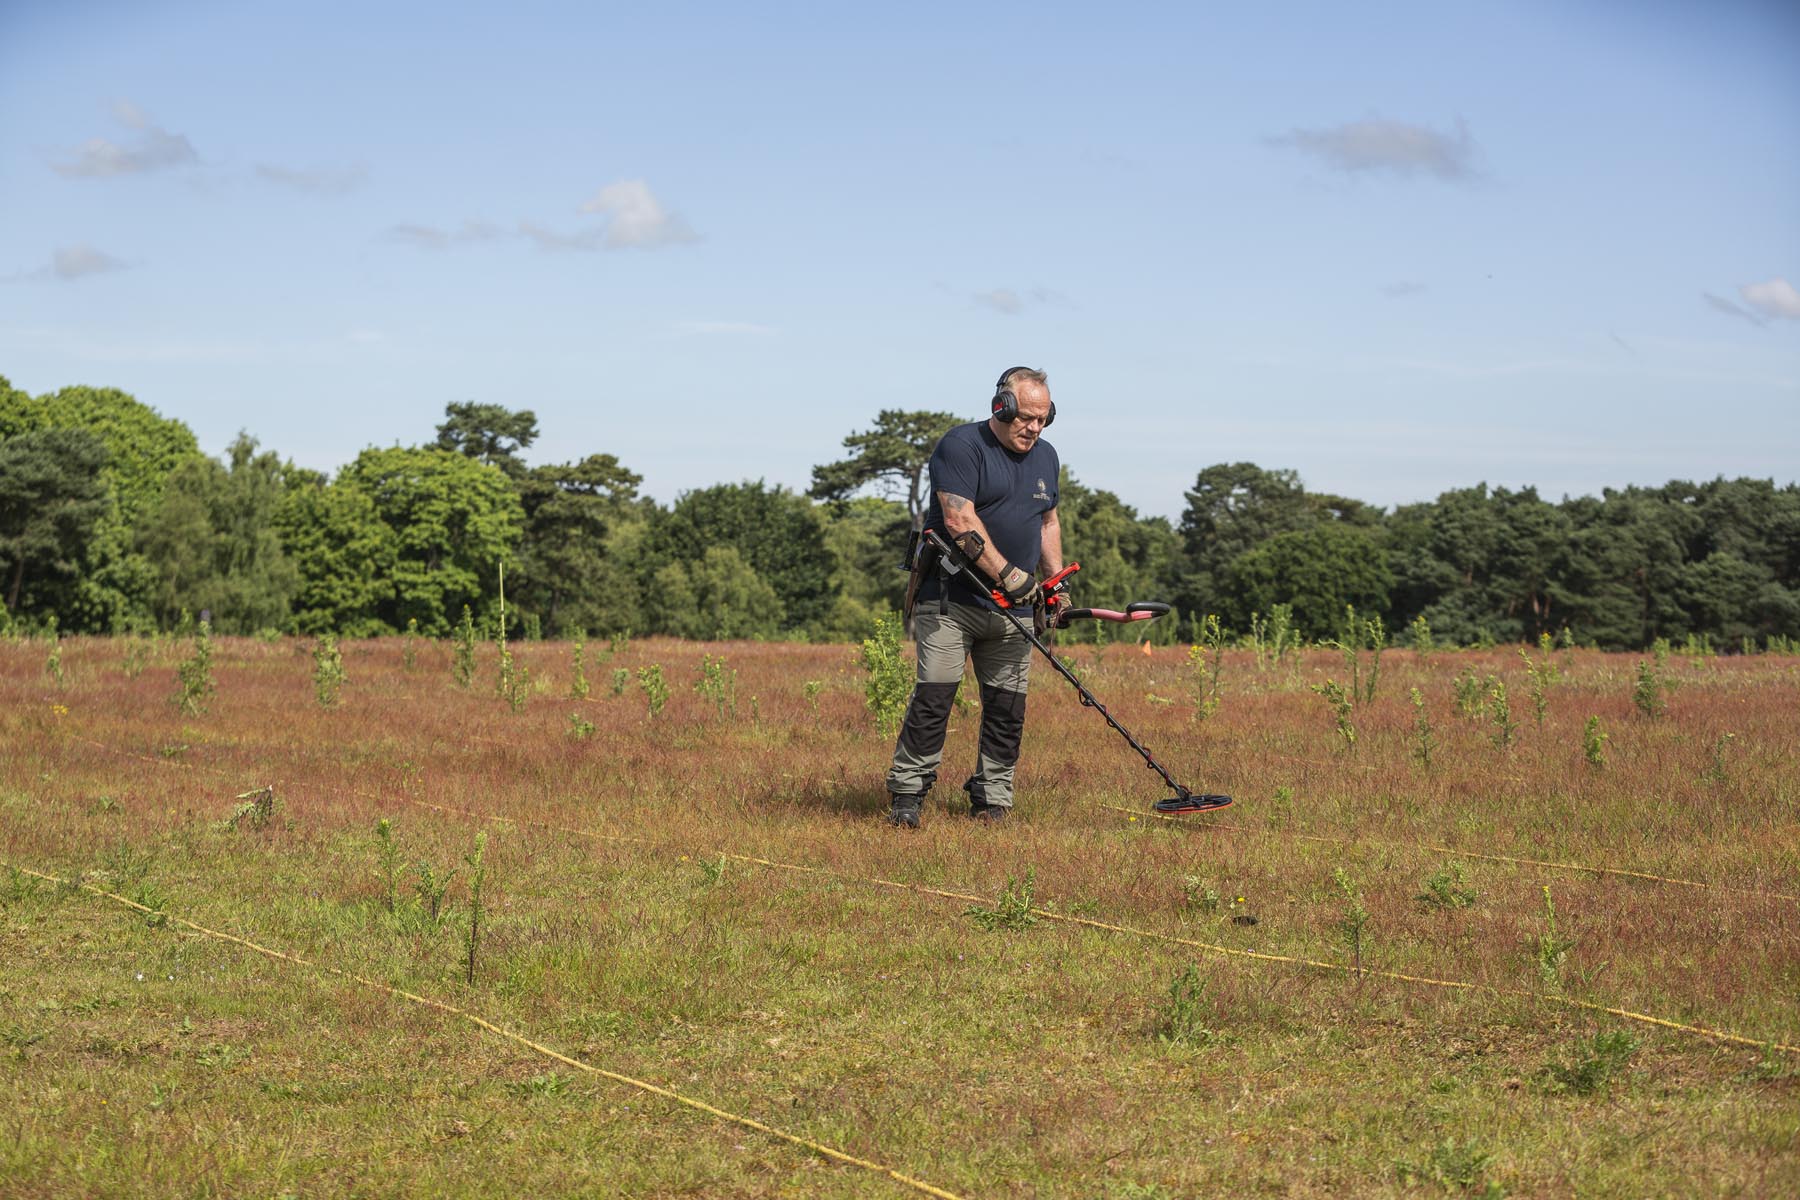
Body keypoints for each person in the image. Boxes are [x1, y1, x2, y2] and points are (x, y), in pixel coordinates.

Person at [886, 366, 1061, 827]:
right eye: (1026, 417)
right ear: (1000, 407)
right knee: (935, 697)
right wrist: (1011, 575)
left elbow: (1048, 523)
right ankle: (907, 795)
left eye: (1043, 419)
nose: (1034, 428)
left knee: (1008, 706)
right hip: (951, 602)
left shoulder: (1047, 458)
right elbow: (959, 521)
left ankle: (993, 799)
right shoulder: (961, 446)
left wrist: (1054, 583)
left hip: (1015, 612)